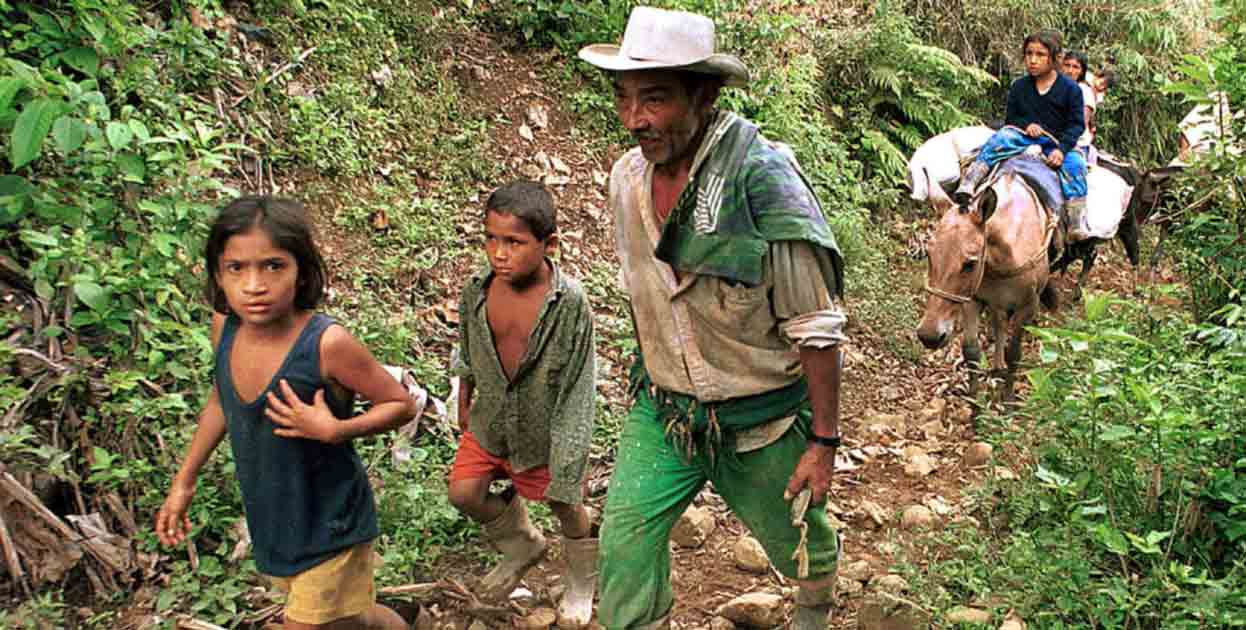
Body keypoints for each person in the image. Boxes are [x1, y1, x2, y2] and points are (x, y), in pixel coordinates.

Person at [578, 7, 847, 629]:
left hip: (758, 418)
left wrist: (824, 442)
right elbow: (647, 292)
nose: (634, 119)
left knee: (799, 546)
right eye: (624, 98)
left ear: (704, 95)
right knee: (625, 544)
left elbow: (814, 326)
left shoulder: (764, 185)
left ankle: (813, 611)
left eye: (655, 99)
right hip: (667, 412)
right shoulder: (626, 179)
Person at [154, 197, 416, 630]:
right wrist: (184, 481)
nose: (254, 285)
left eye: (273, 266)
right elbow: (221, 401)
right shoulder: (227, 327)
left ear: (301, 272)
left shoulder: (325, 344)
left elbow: (400, 404)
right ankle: (405, 622)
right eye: (237, 268)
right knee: (351, 619)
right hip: (277, 518)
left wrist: (336, 429)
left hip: (332, 522)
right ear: (218, 273)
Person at [449, 181, 597, 628]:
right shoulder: (477, 290)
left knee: (564, 504)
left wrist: (568, 453)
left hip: (541, 431)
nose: (499, 252)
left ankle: (581, 578)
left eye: (514, 242)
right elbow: (468, 349)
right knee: (464, 492)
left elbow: (578, 384)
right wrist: (464, 395)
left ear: (548, 243)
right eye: (491, 239)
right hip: (491, 420)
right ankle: (522, 545)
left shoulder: (569, 304)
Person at [956, 31, 1090, 242]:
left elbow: (1076, 125)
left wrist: (1061, 150)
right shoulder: (1019, 86)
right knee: (1001, 138)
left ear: (1054, 59)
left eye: (1040, 55)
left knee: (1076, 167)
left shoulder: (1071, 89)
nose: (1033, 60)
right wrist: (1027, 125)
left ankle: (1075, 221)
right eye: (1029, 54)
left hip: (1055, 142)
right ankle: (970, 181)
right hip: (1024, 137)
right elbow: (1011, 118)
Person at [1062, 49, 1098, 163]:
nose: (1070, 70)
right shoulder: (1055, 87)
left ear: (1082, 71)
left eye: (1075, 67)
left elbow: (1080, 123)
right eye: (1067, 65)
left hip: (1075, 144)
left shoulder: (1085, 92)